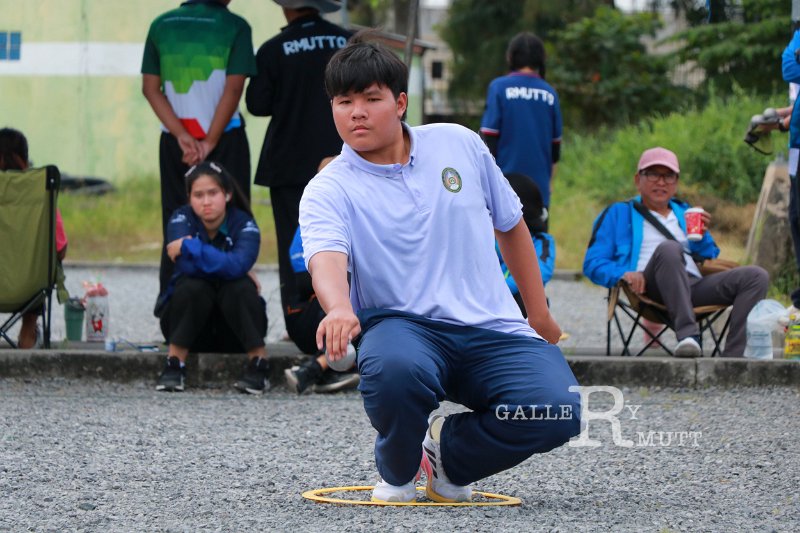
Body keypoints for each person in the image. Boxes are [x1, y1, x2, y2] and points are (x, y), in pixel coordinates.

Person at [299, 34, 581, 503]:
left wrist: (538, 313)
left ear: (401, 102)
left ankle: (449, 456)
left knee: (560, 408)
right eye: (344, 101)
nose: (357, 113)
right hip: (402, 327)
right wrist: (339, 308)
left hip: (491, 325)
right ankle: (400, 468)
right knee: (395, 369)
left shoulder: (459, 144)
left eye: (371, 99)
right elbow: (326, 256)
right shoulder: (328, 188)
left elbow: (511, 225)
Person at [583, 147, 769, 358]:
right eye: (653, 174)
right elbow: (592, 263)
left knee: (755, 276)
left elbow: (707, 255)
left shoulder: (685, 212)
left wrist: (702, 236)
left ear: (676, 181)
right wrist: (622, 274)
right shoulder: (618, 213)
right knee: (669, 249)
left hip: (692, 287)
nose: (661, 182)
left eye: (668, 176)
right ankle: (688, 336)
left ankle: (734, 358)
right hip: (648, 288)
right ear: (638, 179)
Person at [245, 0, 350, 338]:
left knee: (297, 245)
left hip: (290, 165)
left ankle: (301, 323)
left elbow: (257, 103)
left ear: (286, 8)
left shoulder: (274, 49)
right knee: (350, 241)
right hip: (345, 159)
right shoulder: (347, 41)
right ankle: (348, 319)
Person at [141, 0, 257, 307]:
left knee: (176, 217)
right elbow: (234, 89)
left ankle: (171, 304)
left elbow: (150, 88)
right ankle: (236, 304)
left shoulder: (161, 24)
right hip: (225, 138)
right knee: (233, 216)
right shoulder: (236, 26)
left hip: (175, 142)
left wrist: (182, 136)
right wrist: (209, 141)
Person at [155, 161, 270, 394]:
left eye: (213, 193)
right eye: (198, 195)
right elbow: (187, 266)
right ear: (189, 198)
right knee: (193, 285)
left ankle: (259, 364)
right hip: (190, 329)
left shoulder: (245, 224)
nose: (206, 201)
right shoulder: (180, 219)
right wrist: (227, 264)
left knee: (239, 285)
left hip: (234, 333)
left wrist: (191, 246)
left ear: (227, 194)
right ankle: (175, 364)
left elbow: (238, 265)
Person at [479, 32, 562, 229]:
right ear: (541, 60)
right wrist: (548, 184)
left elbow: (487, 141)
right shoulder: (549, 93)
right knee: (536, 250)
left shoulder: (499, 88)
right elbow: (555, 150)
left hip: (503, 190)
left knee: (500, 254)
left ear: (510, 57)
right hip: (539, 193)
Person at [0, 127, 68, 349]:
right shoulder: (40, 191)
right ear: (25, 159)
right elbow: (60, 249)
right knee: (39, 274)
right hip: (31, 289)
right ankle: (27, 339)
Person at [282, 226, 360, 394]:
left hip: (351, 319)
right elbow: (304, 281)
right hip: (310, 321)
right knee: (346, 291)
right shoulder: (316, 214)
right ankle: (324, 367)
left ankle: (321, 367)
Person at [496, 172, 556, 317]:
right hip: (489, 301)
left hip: (517, 302)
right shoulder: (492, 238)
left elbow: (541, 272)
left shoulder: (543, 241)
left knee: (530, 299)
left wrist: (501, 289)